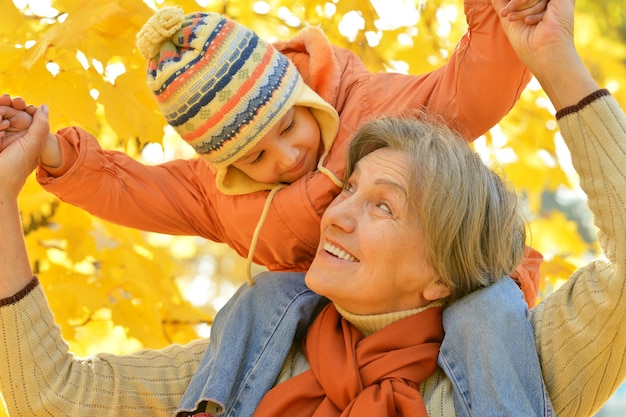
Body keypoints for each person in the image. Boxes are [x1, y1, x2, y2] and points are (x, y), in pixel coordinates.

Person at [1, 0, 625, 415]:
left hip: (485, 302)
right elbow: (53, 397)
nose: (335, 210)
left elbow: (468, 85)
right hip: (295, 305)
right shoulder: (257, 350)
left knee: (489, 308)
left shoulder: (519, 354)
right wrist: (38, 168)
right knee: (267, 291)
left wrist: (550, 56)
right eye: (349, 189)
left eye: (383, 206)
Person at [0, 1, 545, 305]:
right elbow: (132, 191)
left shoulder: (378, 111)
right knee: (259, 305)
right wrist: (49, 150)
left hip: (463, 276)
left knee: (487, 320)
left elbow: (472, 90)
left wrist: (500, 17)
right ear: (228, 166)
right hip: (363, 314)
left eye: (289, 126)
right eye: (255, 158)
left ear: (305, 96)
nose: (285, 158)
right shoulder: (219, 200)